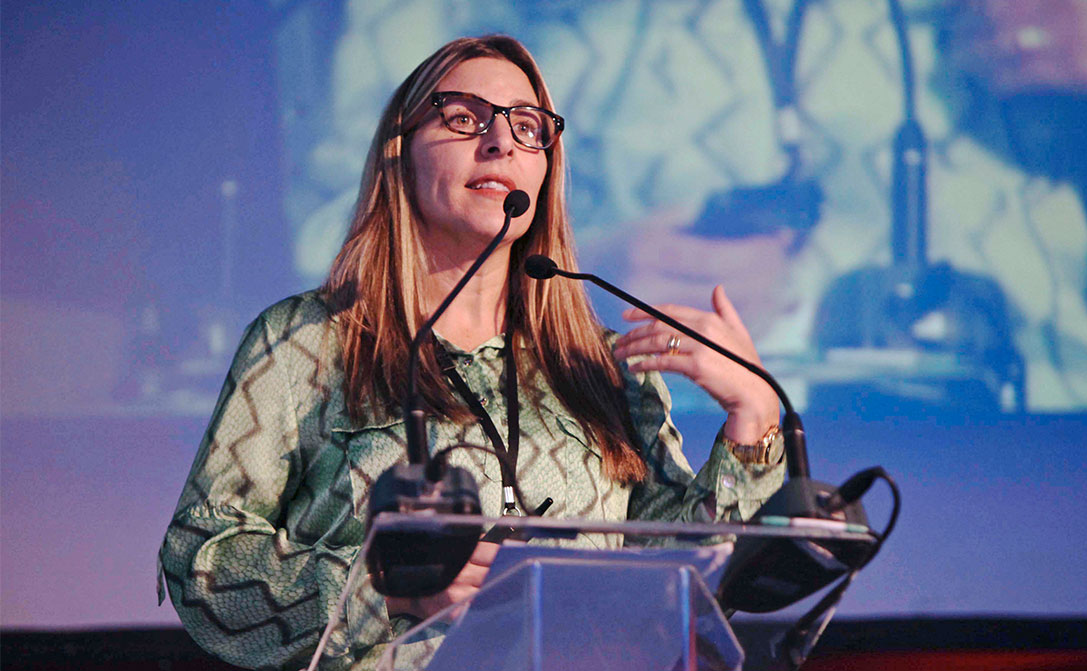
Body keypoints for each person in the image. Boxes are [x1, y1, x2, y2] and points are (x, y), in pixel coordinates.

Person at [158, 35, 786, 670]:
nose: (501, 141)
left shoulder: (601, 366)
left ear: (546, 168)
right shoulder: (306, 341)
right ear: (398, 154)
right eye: (463, 118)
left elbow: (679, 582)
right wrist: (385, 589)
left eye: (527, 125)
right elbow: (201, 560)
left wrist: (753, 415)